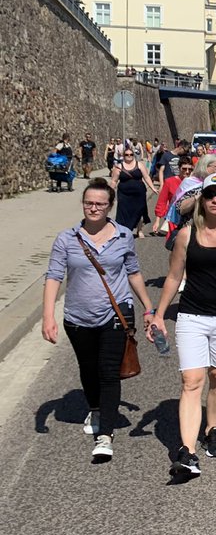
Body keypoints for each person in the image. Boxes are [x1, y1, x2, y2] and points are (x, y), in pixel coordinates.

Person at [148, 173, 216, 478]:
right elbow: (174, 277)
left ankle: (211, 429)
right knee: (191, 380)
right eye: (210, 194)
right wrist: (158, 315)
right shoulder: (187, 235)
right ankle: (187, 452)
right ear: (202, 199)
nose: (215, 200)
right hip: (191, 317)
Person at [42, 180, 155, 462]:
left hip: (115, 314)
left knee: (108, 372)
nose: (93, 208)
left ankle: (105, 435)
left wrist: (148, 307)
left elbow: (133, 272)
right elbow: (54, 276)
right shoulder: (66, 239)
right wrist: (48, 316)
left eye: (100, 204)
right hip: (77, 317)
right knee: (88, 369)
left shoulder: (123, 235)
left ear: (109, 206)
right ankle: (94, 407)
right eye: (88, 203)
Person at [110, 145, 152, 237]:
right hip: (124, 194)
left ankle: (139, 230)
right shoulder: (119, 167)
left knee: (139, 211)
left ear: (133, 155)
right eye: (127, 154)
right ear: (123, 156)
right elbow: (114, 181)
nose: (129, 156)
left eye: (131, 154)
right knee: (123, 212)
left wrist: (152, 188)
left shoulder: (139, 165)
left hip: (139, 193)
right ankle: (124, 230)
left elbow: (146, 177)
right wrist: (109, 192)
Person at [152, 155, 193, 236]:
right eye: (184, 169)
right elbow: (162, 201)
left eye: (190, 169)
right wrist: (157, 221)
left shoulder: (195, 182)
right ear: (179, 168)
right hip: (174, 219)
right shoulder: (169, 182)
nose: (187, 171)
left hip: (190, 219)